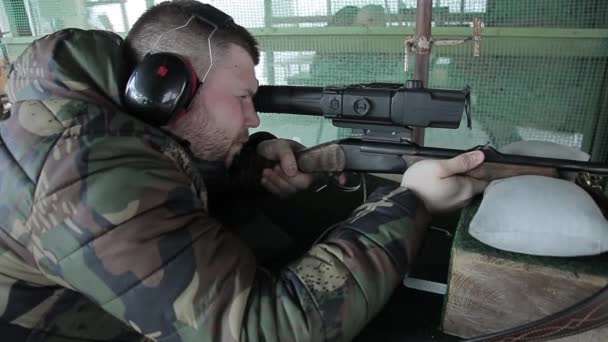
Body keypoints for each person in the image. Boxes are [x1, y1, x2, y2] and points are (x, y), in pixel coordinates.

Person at [0, 1, 488, 341]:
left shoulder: (99, 119)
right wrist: (410, 203)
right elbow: (266, 329)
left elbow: (163, 180)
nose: (254, 118)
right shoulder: (85, 173)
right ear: (166, 88)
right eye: (241, 98)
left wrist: (247, 167)